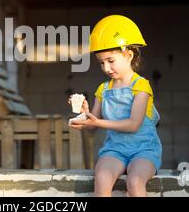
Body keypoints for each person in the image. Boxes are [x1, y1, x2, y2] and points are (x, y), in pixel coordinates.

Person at [68, 15, 162, 197]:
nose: (106, 68)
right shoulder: (103, 89)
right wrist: (84, 114)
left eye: (110, 61)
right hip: (115, 151)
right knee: (102, 177)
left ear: (128, 55)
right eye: (101, 62)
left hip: (143, 150)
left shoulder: (141, 85)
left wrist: (96, 123)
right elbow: (91, 129)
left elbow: (133, 124)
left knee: (135, 182)